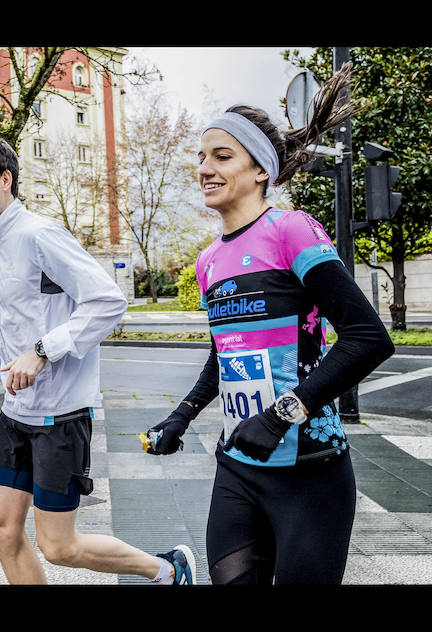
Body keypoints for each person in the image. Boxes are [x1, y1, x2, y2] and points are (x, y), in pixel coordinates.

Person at [145, 63, 395, 584]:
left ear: (261, 169)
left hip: (309, 469)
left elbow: (369, 339)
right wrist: (182, 415)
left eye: (222, 156)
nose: (205, 169)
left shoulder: (291, 231)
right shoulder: (208, 259)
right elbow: (226, 352)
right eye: (201, 158)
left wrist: (281, 415)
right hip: (238, 465)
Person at [0, 133, 196, 585]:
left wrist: (42, 353)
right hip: (15, 413)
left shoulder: (41, 235)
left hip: (60, 417)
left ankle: (168, 569)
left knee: (59, 547)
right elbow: (8, 328)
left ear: (5, 180)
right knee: (1, 530)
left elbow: (106, 301)